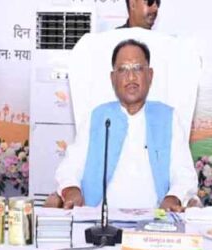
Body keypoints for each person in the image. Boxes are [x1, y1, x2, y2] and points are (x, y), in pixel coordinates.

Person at [52, 39, 198, 211]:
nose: (131, 77)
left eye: (138, 68)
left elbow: (184, 174)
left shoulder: (168, 118)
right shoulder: (97, 118)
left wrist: (173, 197)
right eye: (123, 70)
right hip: (99, 219)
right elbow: (70, 168)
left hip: (155, 220)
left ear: (150, 75)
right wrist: (72, 190)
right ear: (113, 78)